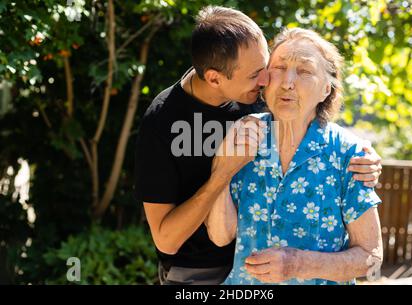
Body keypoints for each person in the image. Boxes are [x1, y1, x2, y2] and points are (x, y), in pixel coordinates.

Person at [134, 6, 382, 285]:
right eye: (264, 73)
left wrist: (364, 157)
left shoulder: (266, 99)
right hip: (197, 269)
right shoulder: (169, 121)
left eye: (267, 68)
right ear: (215, 79)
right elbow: (173, 239)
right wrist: (223, 171)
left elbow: (371, 256)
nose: (271, 82)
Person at [206, 27, 383, 285]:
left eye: (304, 71)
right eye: (278, 68)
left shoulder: (349, 153)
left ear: (326, 89)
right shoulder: (244, 135)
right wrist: (221, 164)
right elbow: (221, 236)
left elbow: (371, 258)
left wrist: (298, 263)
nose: (287, 82)